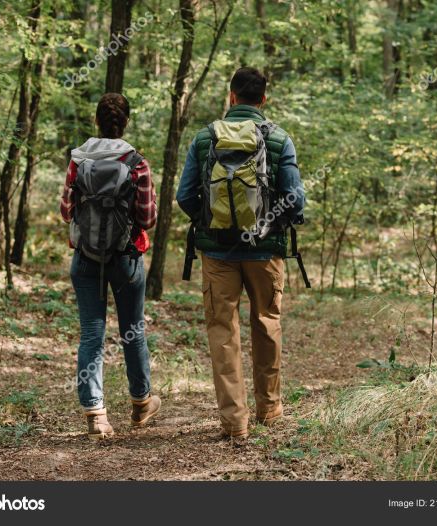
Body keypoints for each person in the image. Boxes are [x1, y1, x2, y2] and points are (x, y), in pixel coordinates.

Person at [176, 67, 306, 442]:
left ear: (231, 96)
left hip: (218, 254)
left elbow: (185, 196)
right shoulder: (279, 139)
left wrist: (212, 221)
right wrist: (272, 223)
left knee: (223, 331)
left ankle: (235, 423)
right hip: (265, 252)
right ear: (263, 100)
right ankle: (270, 409)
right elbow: (295, 200)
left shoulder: (205, 139)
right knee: (266, 322)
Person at [60, 93, 161, 439]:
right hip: (127, 259)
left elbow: (65, 211)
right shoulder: (137, 163)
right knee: (132, 330)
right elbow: (147, 218)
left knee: (92, 332)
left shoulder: (78, 159)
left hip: (86, 258)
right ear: (126, 123)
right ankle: (140, 404)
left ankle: (96, 415)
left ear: (97, 121)